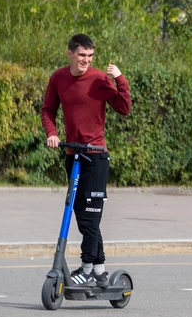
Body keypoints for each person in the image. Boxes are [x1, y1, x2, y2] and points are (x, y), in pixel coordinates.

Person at [41, 34, 132, 287]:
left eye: (90, 56)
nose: (86, 60)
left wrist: (119, 79)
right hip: (73, 155)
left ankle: (88, 267)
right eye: (82, 55)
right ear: (69, 53)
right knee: (80, 214)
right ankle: (101, 270)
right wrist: (52, 133)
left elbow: (124, 108)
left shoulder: (100, 79)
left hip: (96, 157)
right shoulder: (58, 78)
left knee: (90, 217)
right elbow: (48, 110)